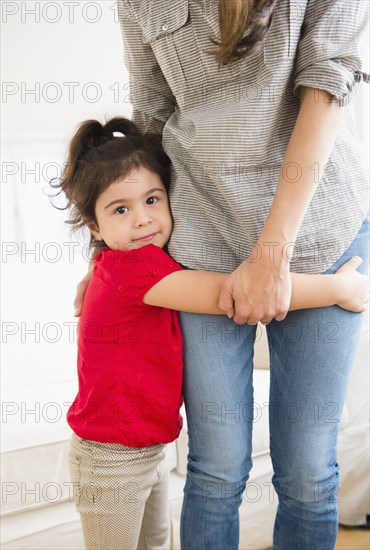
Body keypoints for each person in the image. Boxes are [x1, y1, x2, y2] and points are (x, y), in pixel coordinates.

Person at [107, 1, 370, 548]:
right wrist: (110, 255)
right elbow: (150, 116)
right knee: (217, 467)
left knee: (306, 470)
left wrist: (272, 256)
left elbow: (326, 85)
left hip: (319, 227)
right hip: (200, 233)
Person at [61, 115, 368, 550]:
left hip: (143, 448)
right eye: (121, 210)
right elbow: (232, 293)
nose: (143, 220)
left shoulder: (119, 263)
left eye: (153, 199)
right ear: (94, 226)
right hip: (111, 459)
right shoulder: (136, 269)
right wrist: (338, 288)